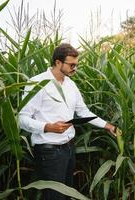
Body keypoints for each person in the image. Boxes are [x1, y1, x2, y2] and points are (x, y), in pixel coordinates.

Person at [19, 43, 116, 200]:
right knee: (53, 197)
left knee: (66, 195)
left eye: (76, 65)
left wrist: (107, 125)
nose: (74, 69)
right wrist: (48, 127)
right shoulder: (38, 83)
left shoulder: (71, 85)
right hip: (49, 152)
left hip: (69, 150)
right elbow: (22, 119)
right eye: (71, 65)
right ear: (58, 62)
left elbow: (83, 111)